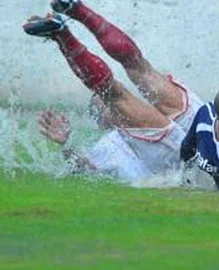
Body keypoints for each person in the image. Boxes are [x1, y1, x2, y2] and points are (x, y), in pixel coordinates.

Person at [23, 0, 203, 180]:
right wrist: (66, 144)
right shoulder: (109, 144)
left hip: (185, 151)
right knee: (138, 67)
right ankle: (74, 10)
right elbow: (83, 167)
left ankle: (63, 31)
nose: (110, 109)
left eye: (105, 106)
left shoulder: (125, 130)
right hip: (194, 143)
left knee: (123, 81)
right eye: (104, 108)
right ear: (101, 122)